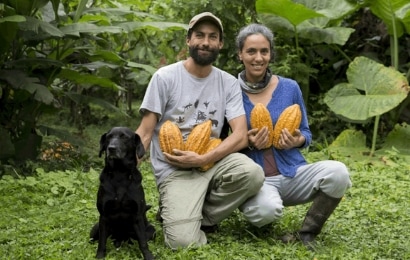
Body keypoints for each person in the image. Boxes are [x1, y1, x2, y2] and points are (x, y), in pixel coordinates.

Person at [135, 13, 265, 249]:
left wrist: (204, 157)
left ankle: (198, 216)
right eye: (200, 35)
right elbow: (145, 132)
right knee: (181, 242)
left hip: (212, 160)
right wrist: (126, 163)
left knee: (253, 173)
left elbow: (240, 133)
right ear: (188, 40)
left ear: (220, 44)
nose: (205, 42)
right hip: (175, 169)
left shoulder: (228, 83)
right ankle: (180, 215)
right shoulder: (165, 78)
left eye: (212, 37)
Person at [235, 23, 352, 250]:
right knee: (266, 212)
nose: (258, 58)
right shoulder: (230, 90)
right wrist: (247, 142)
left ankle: (308, 232)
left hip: (293, 173)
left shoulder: (290, 88)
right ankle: (263, 211)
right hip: (257, 179)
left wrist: (297, 140)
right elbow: (223, 140)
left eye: (264, 51)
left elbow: (306, 133)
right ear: (240, 54)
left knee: (339, 172)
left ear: (270, 54)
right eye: (251, 51)